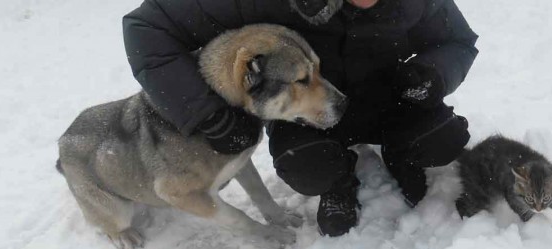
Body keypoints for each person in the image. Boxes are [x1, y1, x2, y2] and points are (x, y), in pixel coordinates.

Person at [123, 0, 478, 236]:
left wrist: (430, 75)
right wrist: (204, 114)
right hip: (308, 112)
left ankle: (401, 156)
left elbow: (458, 41)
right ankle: (339, 184)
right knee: (306, 167)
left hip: (390, 99)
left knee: (442, 140)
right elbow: (147, 29)